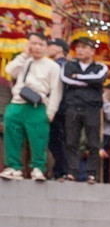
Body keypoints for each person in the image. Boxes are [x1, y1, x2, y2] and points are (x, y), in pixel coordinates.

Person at [1, 32, 63, 181]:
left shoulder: (52, 66)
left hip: (38, 105)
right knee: (12, 136)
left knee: (38, 139)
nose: (37, 47)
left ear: (46, 47)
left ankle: (38, 168)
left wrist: (51, 111)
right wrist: (23, 55)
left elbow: (56, 90)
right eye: (33, 43)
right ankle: (14, 167)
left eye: (40, 44)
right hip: (17, 103)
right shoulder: (24, 60)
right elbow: (9, 71)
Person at [60, 36, 109, 183]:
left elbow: (99, 79)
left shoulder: (100, 67)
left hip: (92, 108)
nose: (80, 50)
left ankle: (91, 173)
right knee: (71, 141)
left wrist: (78, 77)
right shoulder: (68, 65)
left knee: (93, 142)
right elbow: (66, 79)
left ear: (92, 51)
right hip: (73, 106)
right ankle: (72, 173)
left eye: (84, 47)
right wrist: (88, 80)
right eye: (78, 47)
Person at [46, 37, 70, 180]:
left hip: (58, 107)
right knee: (59, 140)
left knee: (56, 140)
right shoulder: (65, 65)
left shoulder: (58, 65)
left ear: (60, 48)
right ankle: (59, 170)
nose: (48, 48)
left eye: (51, 45)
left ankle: (61, 170)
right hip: (63, 107)